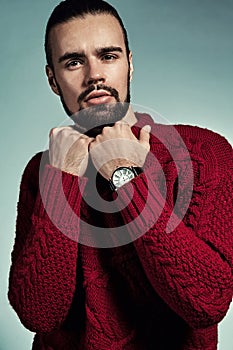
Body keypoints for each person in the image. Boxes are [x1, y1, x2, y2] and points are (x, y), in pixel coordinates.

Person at [8, 0, 233, 349]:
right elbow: (39, 315)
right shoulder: (43, 172)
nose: (94, 74)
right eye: (73, 62)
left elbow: (207, 303)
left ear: (130, 63)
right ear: (53, 79)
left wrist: (125, 177)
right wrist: (62, 179)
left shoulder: (204, 153)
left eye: (108, 56)